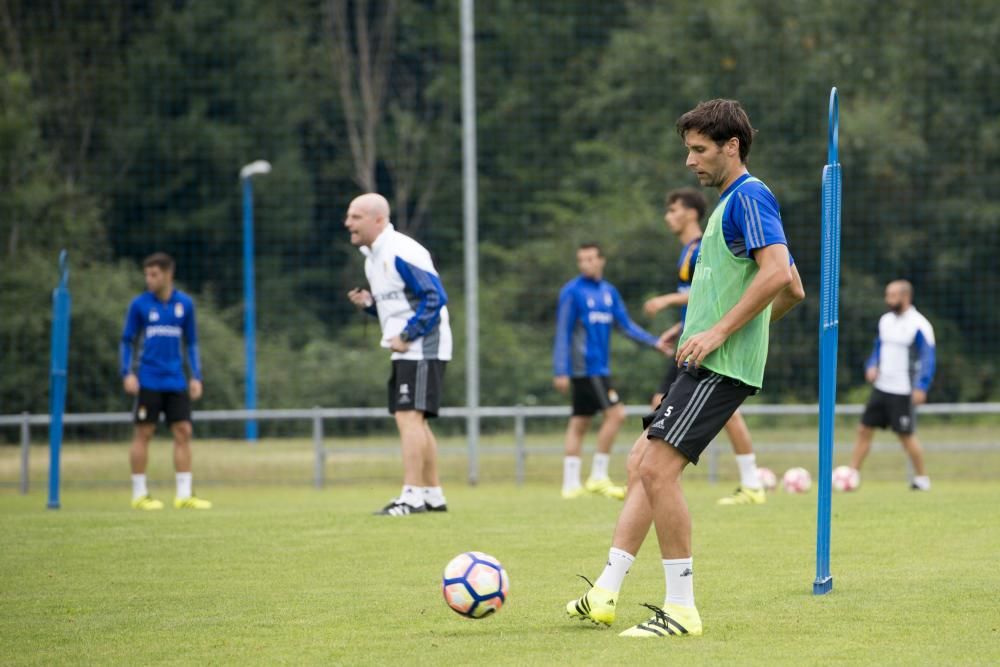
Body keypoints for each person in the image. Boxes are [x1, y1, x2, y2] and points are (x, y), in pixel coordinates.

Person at [566, 99, 805, 638]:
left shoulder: (750, 195)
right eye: (688, 150)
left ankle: (681, 609)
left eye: (698, 150)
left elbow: (775, 273)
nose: (690, 162)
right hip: (702, 359)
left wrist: (726, 333)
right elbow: (791, 285)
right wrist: (742, 328)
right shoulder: (732, 205)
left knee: (656, 470)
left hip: (716, 362)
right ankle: (605, 591)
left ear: (731, 146)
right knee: (639, 464)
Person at [644, 188, 768, 506]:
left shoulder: (702, 247)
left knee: (722, 412)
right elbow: (701, 300)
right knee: (662, 402)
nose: (668, 216)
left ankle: (751, 481)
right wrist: (677, 327)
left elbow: (716, 292)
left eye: (673, 210)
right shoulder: (686, 250)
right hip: (690, 338)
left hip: (705, 342)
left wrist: (666, 300)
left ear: (689, 213)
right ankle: (659, 475)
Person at [345, 193, 452, 516]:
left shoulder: (400, 250)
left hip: (422, 346)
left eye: (355, 216)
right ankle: (432, 495)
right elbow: (400, 305)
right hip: (408, 349)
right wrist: (370, 306)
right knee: (415, 420)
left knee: (408, 417)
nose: (348, 222)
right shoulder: (372, 257)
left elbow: (435, 297)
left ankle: (411, 496)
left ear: (378, 220)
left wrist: (407, 335)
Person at [553, 243, 668, 500]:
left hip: (599, 368)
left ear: (601, 260)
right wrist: (560, 370)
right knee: (616, 415)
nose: (586, 264)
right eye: (581, 260)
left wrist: (654, 342)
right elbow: (563, 332)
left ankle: (570, 485)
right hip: (586, 368)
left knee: (580, 422)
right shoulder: (572, 292)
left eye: (591, 259)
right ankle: (597, 476)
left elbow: (626, 325)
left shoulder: (608, 292)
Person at [121, 252, 210, 510]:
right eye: (147, 274)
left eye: (154, 274)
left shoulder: (185, 304)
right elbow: (127, 341)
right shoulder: (139, 305)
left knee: (184, 432)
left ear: (168, 274)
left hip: (175, 380)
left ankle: (183, 495)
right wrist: (127, 372)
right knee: (144, 432)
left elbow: (191, 342)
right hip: (148, 379)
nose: (149, 279)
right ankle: (139, 494)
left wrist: (197, 376)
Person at [848, 280, 936, 490]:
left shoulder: (919, 325)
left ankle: (922, 479)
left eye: (892, 296)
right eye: (887, 295)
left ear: (905, 297)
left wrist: (921, 386)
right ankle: (852, 476)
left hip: (903, 390)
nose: (888, 300)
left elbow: (928, 358)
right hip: (881, 387)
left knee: (906, 436)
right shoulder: (885, 321)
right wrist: (872, 365)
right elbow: (878, 347)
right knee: (863, 429)